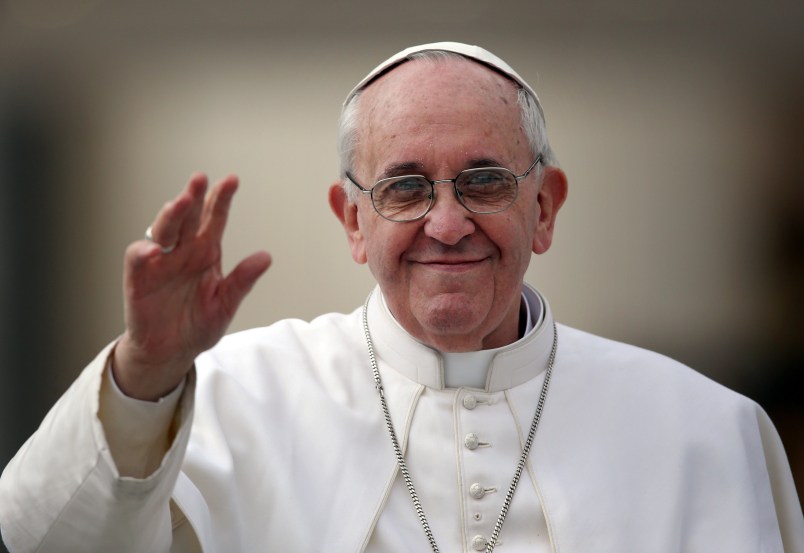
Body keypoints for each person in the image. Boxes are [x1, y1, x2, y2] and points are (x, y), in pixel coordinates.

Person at [0, 42, 801, 553]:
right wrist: (144, 372)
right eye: (406, 187)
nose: (446, 223)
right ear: (353, 220)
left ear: (545, 207)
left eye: (483, 180)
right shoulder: (239, 396)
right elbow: (42, 539)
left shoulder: (703, 431)